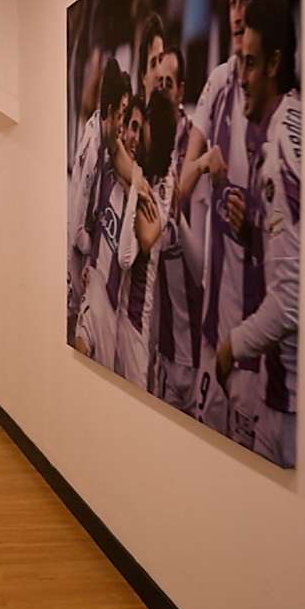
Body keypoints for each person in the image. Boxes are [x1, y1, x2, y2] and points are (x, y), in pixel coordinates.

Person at [178, 0, 273, 441]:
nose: (237, 14)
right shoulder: (218, 84)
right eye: (233, 1)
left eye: (248, 1)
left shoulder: (285, 103)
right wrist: (205, 164)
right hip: (214, 327)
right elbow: (180, 183)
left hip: (258, 343)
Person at [216, 0, 301, 466]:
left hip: (286, 400)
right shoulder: (294, 126)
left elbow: (290, 301)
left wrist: (231, 347)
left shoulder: (278, 154)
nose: (241, 78)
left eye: (249, 64)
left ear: (273, 63)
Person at [114, 91, 176, 391]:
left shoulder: (166, 180)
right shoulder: (142, 168)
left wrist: (137, 183)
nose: (140, 134)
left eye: (147, 124)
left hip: (138, 318)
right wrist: (136, 178)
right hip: (116, 305)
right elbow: (115, 151)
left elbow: (148, 236)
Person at [69, 58, 128, 347]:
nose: (123, 126)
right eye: (122, 115)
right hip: (74, 270)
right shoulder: (93, 151)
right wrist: (92, 246)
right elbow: (78, 227)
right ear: (109, 112)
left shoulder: (98, 136)